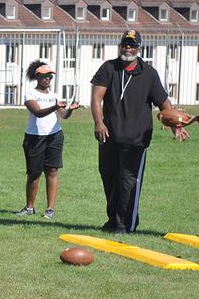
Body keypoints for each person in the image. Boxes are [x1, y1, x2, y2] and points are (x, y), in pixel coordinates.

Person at [91, 29, 188, 234]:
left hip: (136, 139)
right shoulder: (109, 68)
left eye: (132, 45)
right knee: (109, 178)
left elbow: (164, 104)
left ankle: (126, 224)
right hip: (108, 137)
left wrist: (175, 126)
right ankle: (113, 220)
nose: (128, 48)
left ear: (139, 48)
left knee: (128, 183)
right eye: (125, 44)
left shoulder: (149, 73)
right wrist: (99, 123)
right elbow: (96, 98)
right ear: (120, 45)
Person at [15, 61, 79, 220]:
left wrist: (69, 110)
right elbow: (37, 112)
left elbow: (63, 115)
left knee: (52, 171)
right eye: (44, 76)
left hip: (54, 136)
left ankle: (50, 209)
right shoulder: (30, 94)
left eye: (50, 76)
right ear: (37, 77)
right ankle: (30, 207)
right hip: (35, 137)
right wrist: (55, 107)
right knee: (34, 173)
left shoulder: (55, 96)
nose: (48, 79)